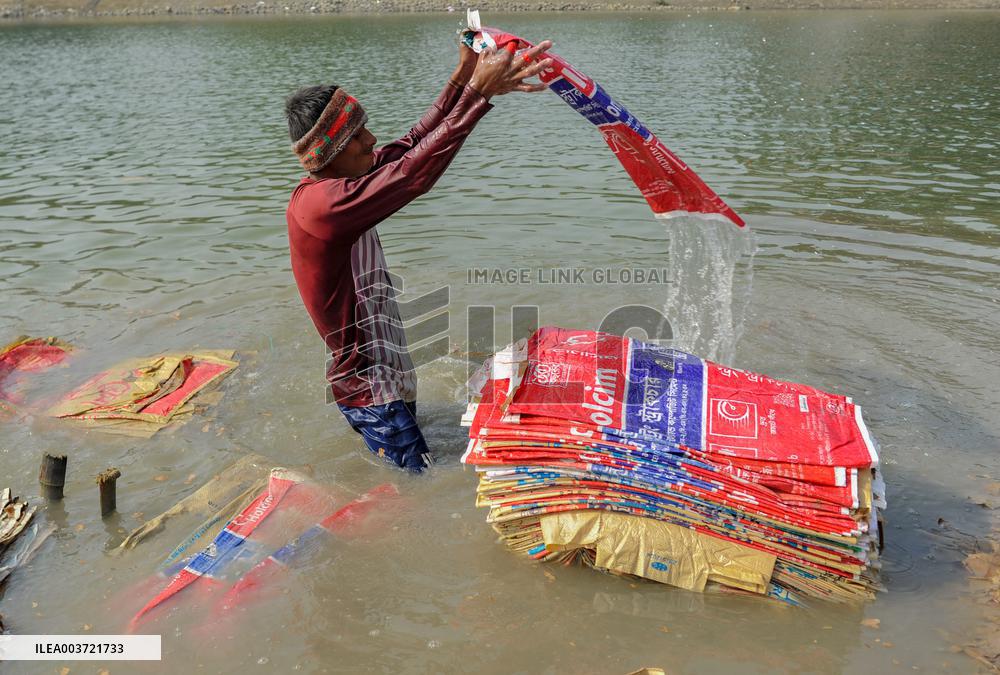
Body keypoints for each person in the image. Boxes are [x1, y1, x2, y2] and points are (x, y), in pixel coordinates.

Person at [284, 38, 553, 472]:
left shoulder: (345, 184)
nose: (371, 140)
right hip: (370, 391)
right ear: (332, 151)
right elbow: (412, 174)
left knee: (427, 468)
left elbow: (412, 144)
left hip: (390, 374)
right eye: (357, 136)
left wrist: (464, 77)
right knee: (418, 486)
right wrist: (478, 96)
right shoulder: (322, 206)